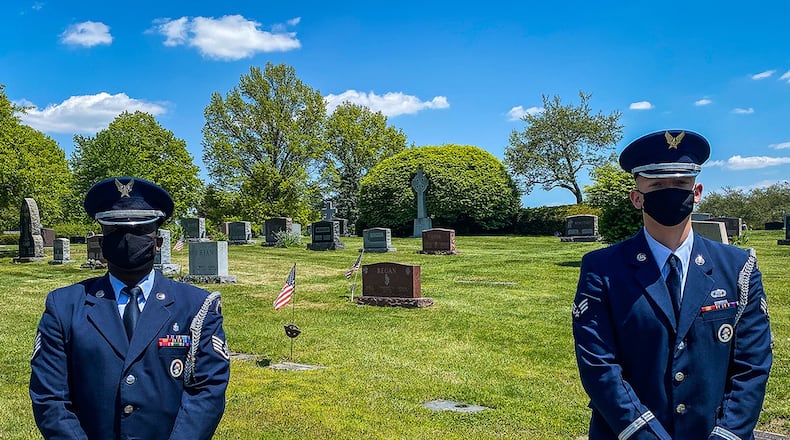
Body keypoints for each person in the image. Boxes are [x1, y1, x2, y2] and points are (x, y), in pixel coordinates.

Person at [572, 130, 773, 439]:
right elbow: (600, 367)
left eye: (681, 184)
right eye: (657, 185)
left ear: (697, 192)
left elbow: (752, 365)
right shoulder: (602, 270)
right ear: (637, 197)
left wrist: (726, 435)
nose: (671, 192)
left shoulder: (737, 268)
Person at [30, 176, 230, 439]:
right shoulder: (65, 306)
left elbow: (208, 391)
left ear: (157, 243)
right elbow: (50, 398)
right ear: (102, 243)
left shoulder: (195, 307)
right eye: (115, 231)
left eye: (139, 231)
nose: (127, 239)